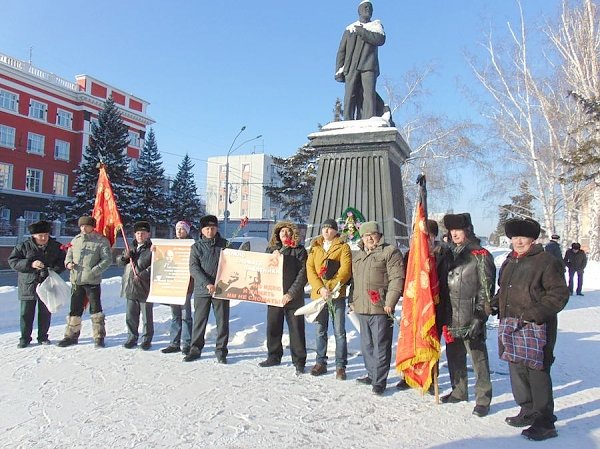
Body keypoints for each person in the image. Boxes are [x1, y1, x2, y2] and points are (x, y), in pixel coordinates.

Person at [492, 218, 568, 441]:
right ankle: (527, 410)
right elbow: (504, 289)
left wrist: (535, 313)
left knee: (537, 373)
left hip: (537, 326)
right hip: (511, 324)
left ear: (533, 239)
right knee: (517, 369)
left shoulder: (546, 261)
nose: (518, 241)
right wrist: (495, 303)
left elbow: (559, 294)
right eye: (515, 237)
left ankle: (545, 423)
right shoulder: (510, 261)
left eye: (522, 237)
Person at [441, 213, 495, 417]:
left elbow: (487, 289)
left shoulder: (480, 255)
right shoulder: (448, 254)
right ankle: (459, 390)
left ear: (468, 231)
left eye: (458, 230)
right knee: (454, 355)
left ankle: (483, 398)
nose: (454, 234)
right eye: (451, 230)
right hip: (451, 314)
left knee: (478, 358)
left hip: (471, 313)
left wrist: (480, 316)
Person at [397, 219, 452, 393]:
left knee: (429, 340)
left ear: (433, 236)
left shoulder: (443, 253)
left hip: (435, 304)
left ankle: (430, 377)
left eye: (423, 235)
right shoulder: (411, 255)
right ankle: (410, 375)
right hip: (413, 305)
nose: (418, 238)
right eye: (416, 235)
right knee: (411, 339)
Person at [351, 221, 404, 395]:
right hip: (362, 306)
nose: (370, 238)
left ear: (379, 235)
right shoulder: (358, 255)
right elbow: (354, 281)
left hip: (381, 307)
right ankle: (371, 374)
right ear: (362, 237)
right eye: (366, 235)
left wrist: (390, 301)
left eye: (373, 234)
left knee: (381, 344)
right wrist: (352, 299)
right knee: (366, 344)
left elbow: (397, 279)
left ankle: (379, 381)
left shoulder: (390, 252)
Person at [259, 221, 308, 375]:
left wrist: (291, 293)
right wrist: (271, 257)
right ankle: (273, 355)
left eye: (288, 232)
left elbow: (302, 274)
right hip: (274, 296)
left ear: (292, 234)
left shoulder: (299, 251)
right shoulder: (271, 250)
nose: (285, 235)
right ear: (277, 235)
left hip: (293, 298)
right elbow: (262, 269)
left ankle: (299, 360)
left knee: (296, 329)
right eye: (282, 232)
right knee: (273, 326)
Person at [306, 219, 352, 380]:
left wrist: (330, 287)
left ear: (335, 231)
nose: (326, 231)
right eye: (324, 228)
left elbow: (345, 270)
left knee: (339, 331)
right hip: (320, 295)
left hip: (336, 294)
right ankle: (320, 362)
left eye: (330, 228)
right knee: (320, 330)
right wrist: (320, 288)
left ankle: (340, 366)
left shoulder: (343, 247)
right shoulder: (315, 247)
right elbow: (310, 269)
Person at [8, 220, 66, 348]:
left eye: (46, 234)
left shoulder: (56, 246)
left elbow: (62, 261)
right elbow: (13, 261)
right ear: (34, 236)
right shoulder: (23, 246)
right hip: (28, 284)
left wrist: (53, 270)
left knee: (45, 312)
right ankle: (24, 338)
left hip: (47, 283)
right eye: (40, 235)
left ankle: (43, 336)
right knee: (26, 313)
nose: (44, 238)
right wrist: (30, 264)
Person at [58, 216, 112, 348]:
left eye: (86, 226)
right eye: (81, 226)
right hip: (76, 280)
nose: (83, 228)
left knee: (95, 309)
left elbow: (107, 260)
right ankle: (71, 335)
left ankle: (99, 336)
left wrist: (94, 271)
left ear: (92, 226)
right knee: (74, 309)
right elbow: (69, 255)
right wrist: (68, 263)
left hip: (92, 281)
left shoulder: (101, 241)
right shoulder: (76, 240)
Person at [185, 215, 229, 363]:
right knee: (199, 321)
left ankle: (221, 351)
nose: (210, 231)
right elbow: (194, 268)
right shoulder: (196, 247)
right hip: (202, 290)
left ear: (217, 228)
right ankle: (195, 349)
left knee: (222, 322)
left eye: (213, 228)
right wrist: (207, 284)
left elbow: (234, 264)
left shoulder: (225, 244)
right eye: (207, 228)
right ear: (202, 230)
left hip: (221, 289)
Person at [335, 0, 385, 120]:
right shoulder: (350, 29)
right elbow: (342, 50)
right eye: (365, 7)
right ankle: (347, 120)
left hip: (368, 66)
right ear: (359, 11)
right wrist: (338, 69)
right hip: (351, 66)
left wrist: (362, 31)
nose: (368, 9)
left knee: (368, 94)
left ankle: (368, 119)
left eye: (370, 8)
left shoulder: (376, 27)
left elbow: (380, 40)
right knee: (349, 95)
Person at [119, 221, 154, 350]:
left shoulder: (152, 248)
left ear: (148, 234)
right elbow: (120, 262)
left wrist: (143, 274)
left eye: (143, 233)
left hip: (145, 287)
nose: (140, 235)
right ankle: (132, 337)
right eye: (138, 233)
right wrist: (125, 257)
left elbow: (155, 265)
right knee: (131, 316)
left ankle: (146, 339)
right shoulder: (130, 247)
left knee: (146, 317)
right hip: (131, 286)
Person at [161, 221, 194, 355]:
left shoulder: (192, 245)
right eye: (178, 229)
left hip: (185, 285)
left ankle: (186, 343)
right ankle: (174, 343)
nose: (179, 231)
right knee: (175, 315)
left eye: (182, 229)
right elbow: (162, 258)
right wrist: (155, 250)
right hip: (172, 285)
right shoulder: (170, 245)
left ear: (187, 231)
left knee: (185, 315)